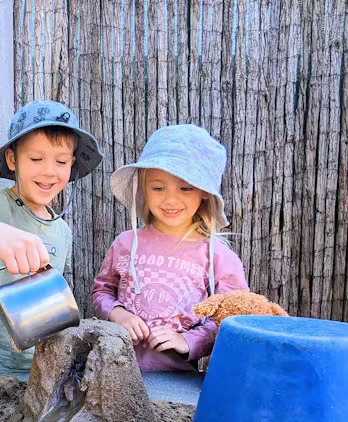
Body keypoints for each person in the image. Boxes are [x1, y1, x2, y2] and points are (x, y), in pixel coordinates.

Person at [0, 100, 103, 375]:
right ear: (13, 160)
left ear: (71, 165)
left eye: (60, 161)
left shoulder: (62, 231)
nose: (49, 171)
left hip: (37, 366)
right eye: (36, 159)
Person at [91, 124, 248, 371]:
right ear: (144, 188)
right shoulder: (125, 243)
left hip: (178, 386)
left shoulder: (218, 256)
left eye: (185, 187)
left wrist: (188, 340)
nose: (171, 199)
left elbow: (233, 316)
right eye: (158, 187)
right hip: (115, 372)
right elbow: (101, 292)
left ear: (205, 192)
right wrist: (118, 314)